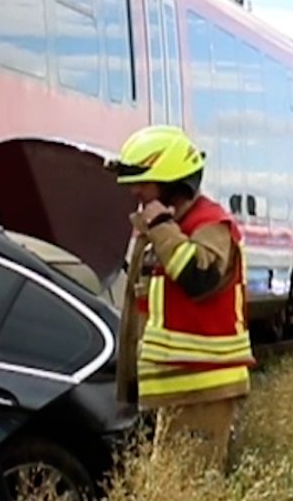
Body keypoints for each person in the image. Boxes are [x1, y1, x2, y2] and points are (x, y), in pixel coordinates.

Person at [108, 125, 255, 474]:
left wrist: (160, 226)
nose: (135, 192)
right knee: (171, 483)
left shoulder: (209, 224)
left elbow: (199, 278)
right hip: (180, 385)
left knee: (189, 487)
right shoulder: (172, 227)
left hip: (203, 385)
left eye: (143, 183)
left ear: (172, 182)